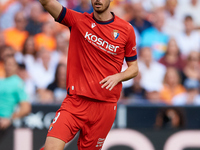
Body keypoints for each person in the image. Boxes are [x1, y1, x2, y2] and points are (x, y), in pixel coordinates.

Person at [39, 0, 139, 149]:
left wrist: (118, 76)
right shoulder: (78, 21)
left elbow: (134, 68)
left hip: (104, 107)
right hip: (76, 102)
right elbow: (47, 3)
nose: (98, 0)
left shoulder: (126, 29)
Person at [0, 56, 31, 140]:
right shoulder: (1, 80)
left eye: (12, 65)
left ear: (16, 67)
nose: (9, 67)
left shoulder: (18, 83)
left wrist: (9, 118)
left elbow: (26, 107)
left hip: (4, 124)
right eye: (7, 64)